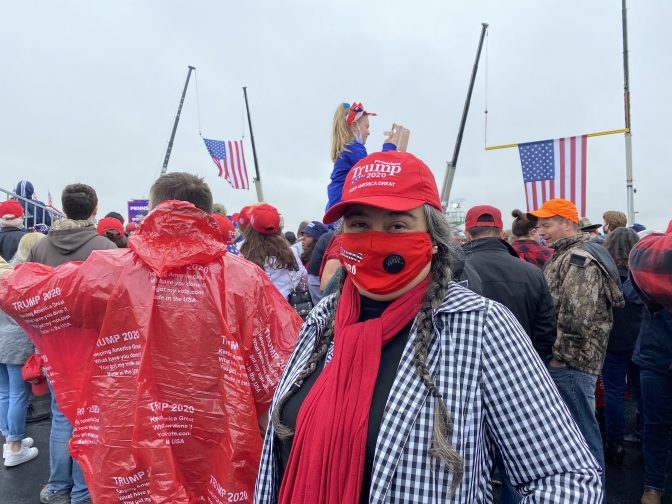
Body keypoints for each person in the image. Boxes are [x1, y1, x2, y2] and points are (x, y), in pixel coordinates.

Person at [255, 151, 602, 503]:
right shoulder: (323, 317)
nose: (376, 239)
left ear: (434, 238)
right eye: (359, 224)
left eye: (397, 225)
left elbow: (565, 477)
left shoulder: (481, 326)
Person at [0, 173, 302, 503]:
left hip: (132, 430)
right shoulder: (246, 278)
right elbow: (278, 373)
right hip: (217, 432)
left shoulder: (109, 271)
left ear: (155, 209)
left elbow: (29, 296)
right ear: (204, 213)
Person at [20, 184, 116, 504]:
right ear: (94, 209)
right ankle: (82, 490)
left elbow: (28, 292)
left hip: (54, 344)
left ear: (63, 206)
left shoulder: (41, 246)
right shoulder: (104, 246)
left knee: (62, 416)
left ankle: (58, 486)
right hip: (93, 347)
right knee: (90, 418)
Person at [528, 198, 625, 492]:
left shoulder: (578, 259)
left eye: (547, 224)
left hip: (572, 362)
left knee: (583, 433)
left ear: (567, 224)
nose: (542, 231)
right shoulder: (569, 254)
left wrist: (560, 357)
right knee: (577, 432)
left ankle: (592, 493)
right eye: (540, 225)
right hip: (571, 360)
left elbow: (577, 316)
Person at [628, 221, 672, 504]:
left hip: (656, 354)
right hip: (656, 356)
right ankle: (652, 486)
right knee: (655, 425)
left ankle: (652, 488)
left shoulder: (647, 258)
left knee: (655, 426)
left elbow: (631, 292)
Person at [0, 232, 45, 467]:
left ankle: (10, 440)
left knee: (5, 393)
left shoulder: (7, 273)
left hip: (0, 340)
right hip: (18, 343)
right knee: (18, 394)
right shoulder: (31, 278)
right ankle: (15, 447)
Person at [601, 227, 643, 465]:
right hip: (639, 339)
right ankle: (644, 436)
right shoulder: (642, 272)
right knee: (641, 393)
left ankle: (614, 442)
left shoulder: (607, 273)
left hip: (614, 340)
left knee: (614, 392)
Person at [325, 102, 396, 211]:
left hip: (334, 207)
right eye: (366, 127)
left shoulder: (347, 148)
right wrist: (389, 147)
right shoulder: (353, 148)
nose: (369, 132)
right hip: (342, 211)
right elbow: (373, 171)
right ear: (354, 125)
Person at [240, 203, 308, 299]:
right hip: (286, 309)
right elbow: (303, 281)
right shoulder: (291, 253)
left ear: (251, 228)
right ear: (278, 228)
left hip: (255, 309)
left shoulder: (240, 254)